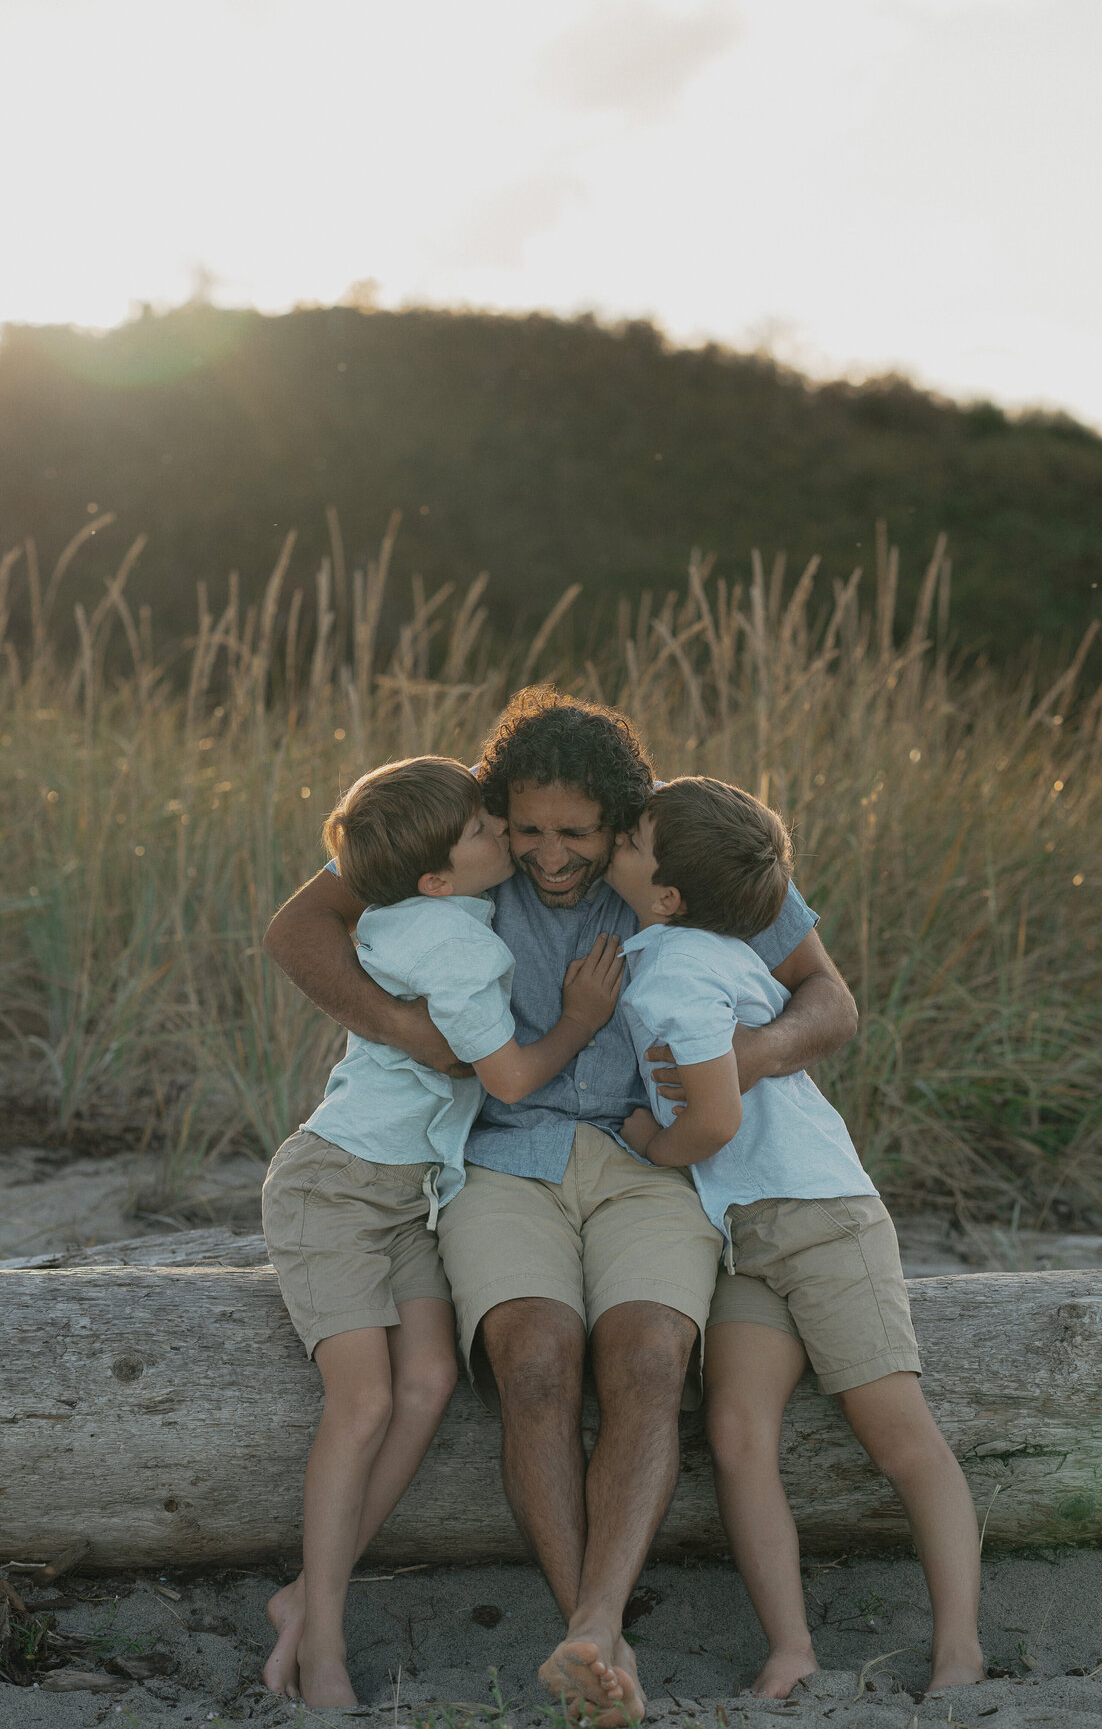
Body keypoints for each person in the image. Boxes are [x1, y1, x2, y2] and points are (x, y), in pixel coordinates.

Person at [262, 688, 859, 1724]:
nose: (546, 854)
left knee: (647, 1358)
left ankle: (596, 1622)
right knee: (534, 1358)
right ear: (498, 814)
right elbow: (300, 924)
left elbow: (830, 1000)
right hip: (505, 1156)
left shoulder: (681, 844)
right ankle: (593, 1632)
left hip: (650, 1155)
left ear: (625, 822)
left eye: (575, 835)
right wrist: (406, 1029)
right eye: (527, 829)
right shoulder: (462, 833)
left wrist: (744, 1057)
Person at [607, 776, 985, 1698]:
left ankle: (961, 1650)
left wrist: (652, 1141)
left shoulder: (678, 967)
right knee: (737, 1433)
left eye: (633, 839)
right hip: (743, 1230)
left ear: (668, 893)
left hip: (818, 1217)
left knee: (901, 1436)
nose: (617, 840)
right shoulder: (702, 943)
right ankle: (791, 1648)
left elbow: (715, 1122)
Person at [260, 755, 623, 1708]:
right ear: (435, 874)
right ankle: (323, 1640)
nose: (504, 835)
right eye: (484, 829)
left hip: (416, 1191)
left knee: (426, 1385)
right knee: (367, 1403)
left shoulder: (432, 903)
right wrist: (582, 1018)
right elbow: (507, 1079)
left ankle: (307, 1590)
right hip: (337, 1188)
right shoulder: (455, 944)